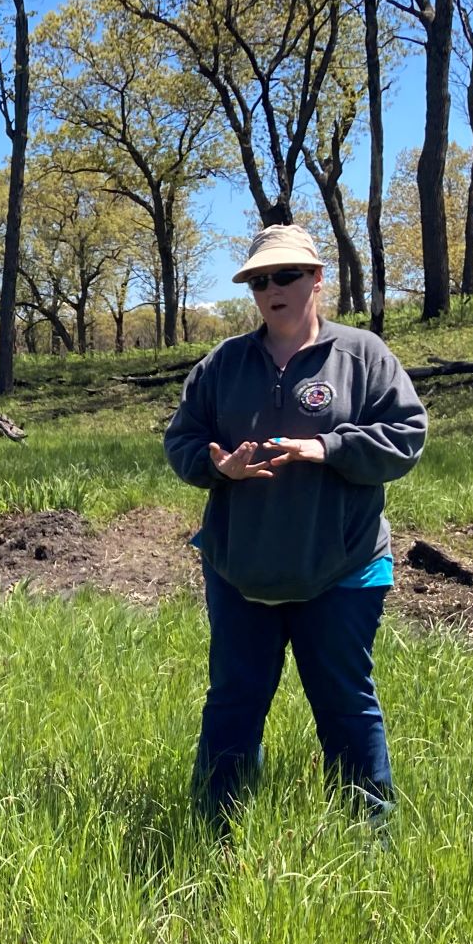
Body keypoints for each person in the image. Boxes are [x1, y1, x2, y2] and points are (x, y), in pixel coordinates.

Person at [164, 224, 426, 829]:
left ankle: (369, 840)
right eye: (259, 280)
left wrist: (327, 449)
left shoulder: (363, 356)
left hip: (342, 568)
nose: (272, 289)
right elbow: (181, 439)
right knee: (233, 701)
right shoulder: (223, 364)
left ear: (316, 278)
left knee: (345, 704)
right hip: (239, 568)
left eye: (285, 275)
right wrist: (215, 465)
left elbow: (407, 437)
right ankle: (216, 830)